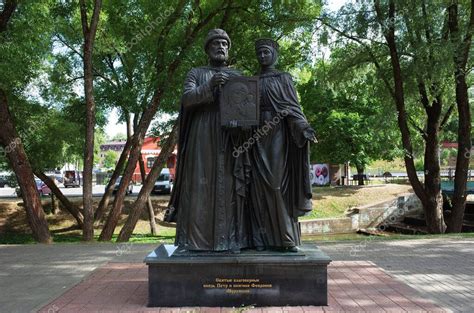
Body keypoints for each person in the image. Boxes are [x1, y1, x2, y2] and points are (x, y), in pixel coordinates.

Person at [164, 29, 250, 252]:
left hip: (229, 137)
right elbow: (187, 99)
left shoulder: (238, 75)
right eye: (216, 44)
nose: (221, 47)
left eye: (224, 44)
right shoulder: (197, 73)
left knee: (229, 185)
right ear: (208, 49)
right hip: (201, 135)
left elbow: (247, 109)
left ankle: (230, 240)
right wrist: (210, 84)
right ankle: (194, 242)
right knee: (199, 186)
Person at [249, 38, 317, 252]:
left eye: (266, 52)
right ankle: (259, 239)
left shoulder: (283, 78)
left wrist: (304, 127)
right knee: (256, 187)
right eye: (259, 53)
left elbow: (292, 108)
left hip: (277, 133)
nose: (262, 56)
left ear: (274, 54)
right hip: (253, 135)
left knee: (276, 185)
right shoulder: (250, 81)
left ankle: (286, 238)